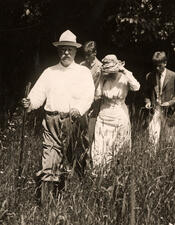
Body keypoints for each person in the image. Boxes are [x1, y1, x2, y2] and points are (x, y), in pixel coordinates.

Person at [21, 30, 95, 202]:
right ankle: (48, 203)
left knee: (74, 160)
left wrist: (78, 109)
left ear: (76, 51)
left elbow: (88, 96)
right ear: (58, 51)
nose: (66, 53)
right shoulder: (49, 72)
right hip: (51, 120)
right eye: (63, 49)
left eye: (69, 49)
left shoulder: (83, 72)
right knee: (49, 159)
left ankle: (74, 198)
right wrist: (29, 103)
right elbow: (38, 93)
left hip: (73, 120)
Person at [91, 54, 140, 170]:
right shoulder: (104, 77)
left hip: (119, 114)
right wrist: (100, 77)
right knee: (100, 146)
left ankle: (117, 173)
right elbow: (97, 95)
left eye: (112, 70)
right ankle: (100, 174)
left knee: (119, 146)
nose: (111, 73)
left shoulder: (124, 76)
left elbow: (136, 87)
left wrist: (124, 71)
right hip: (104, 114)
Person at [144, 51, 175, 150]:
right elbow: (146, 93)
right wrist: (148, 102)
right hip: (154, 111)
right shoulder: (149, 76)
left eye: (160, 66)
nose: (157, 68)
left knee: (169, 139)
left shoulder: (174, 76)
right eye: (155, 66)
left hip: (168, 112)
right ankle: (152, 159)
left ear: (165, 63)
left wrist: (170, 103)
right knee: (152, 138)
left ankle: (169, 159)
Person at [80, 41, 102, 147]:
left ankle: (90, 158)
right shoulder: (82, 65)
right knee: (80, 132)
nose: (86, 57)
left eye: (89, 55)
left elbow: (98, 88)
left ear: (95, 53)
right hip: (81, 102)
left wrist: (92, 102)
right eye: (85, 55)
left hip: (94, 103)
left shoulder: (100, 68)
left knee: (90, 133)